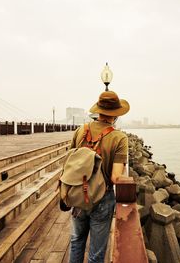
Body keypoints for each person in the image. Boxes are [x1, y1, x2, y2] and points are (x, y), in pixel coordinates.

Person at [68, 90, 130, 263]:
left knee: (76, 242)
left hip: (77, 193)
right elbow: (116, 178)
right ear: (115, 115)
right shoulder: (119, 138)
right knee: (96, 253)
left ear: (99, 111)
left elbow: (70, 161)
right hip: (102, 198)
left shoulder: (81, 130)